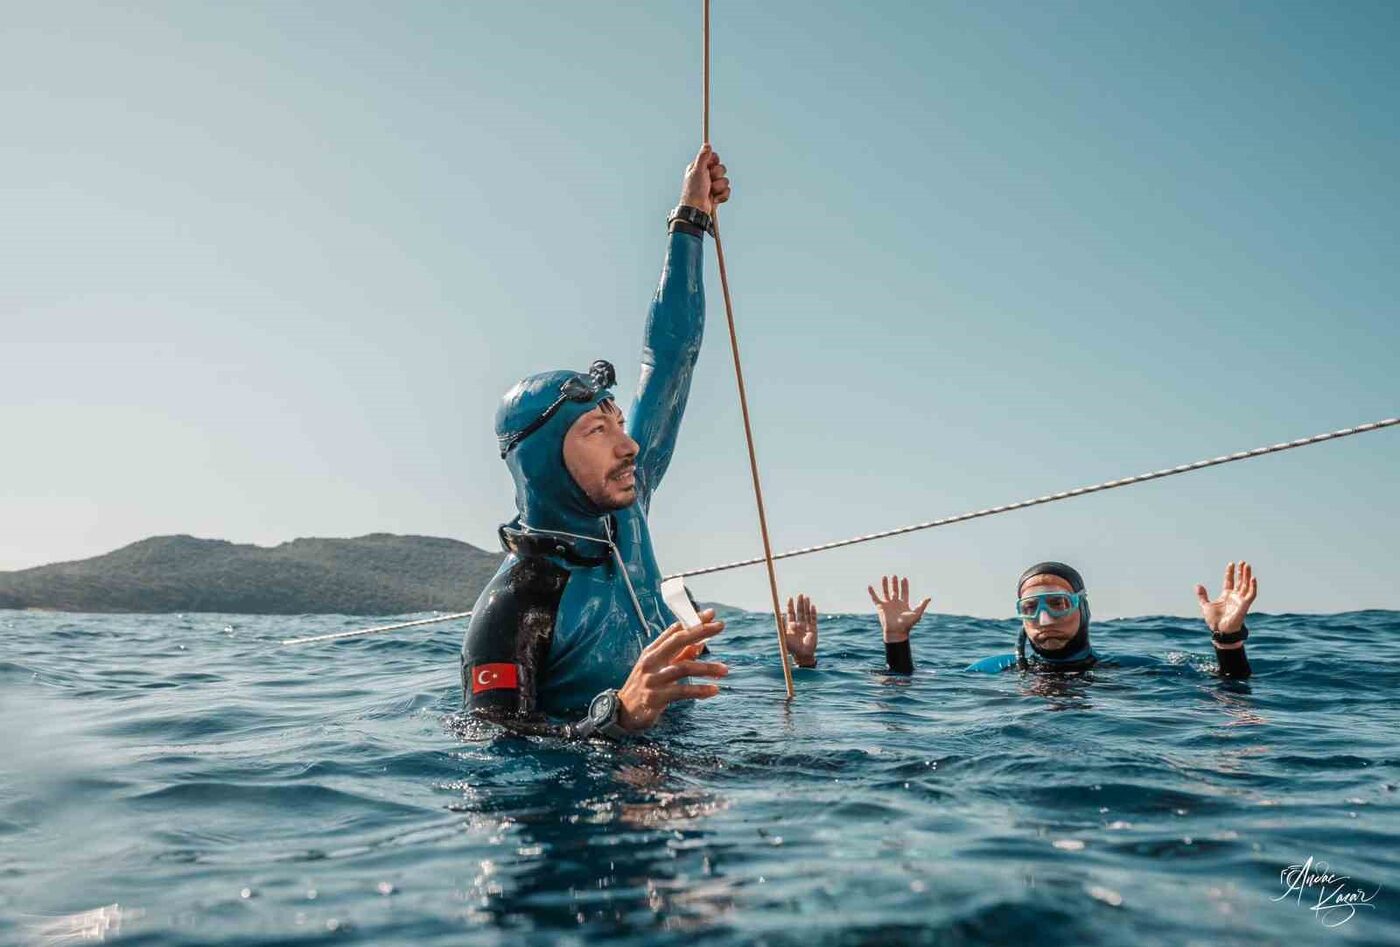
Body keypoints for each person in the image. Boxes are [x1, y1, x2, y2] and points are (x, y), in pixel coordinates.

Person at [459, 144, 734, 739]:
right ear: (545, 462)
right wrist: (619, 715)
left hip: (683, 770)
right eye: (597, 431)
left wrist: (689, 219)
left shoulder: (627, 508)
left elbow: (670, 360)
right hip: (588, 805)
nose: (629, 446)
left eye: (618, 422)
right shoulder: (517, 604)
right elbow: (492, 752)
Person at [782, 562, 1258, 679]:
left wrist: (1227, 637)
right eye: (1030, 609)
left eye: (1058, 604)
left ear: (1083, 609)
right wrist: (894, 638)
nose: (1045, 618)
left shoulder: (1127, 671)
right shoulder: (995, 673)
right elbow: (904, 693)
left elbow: (1228, 694)